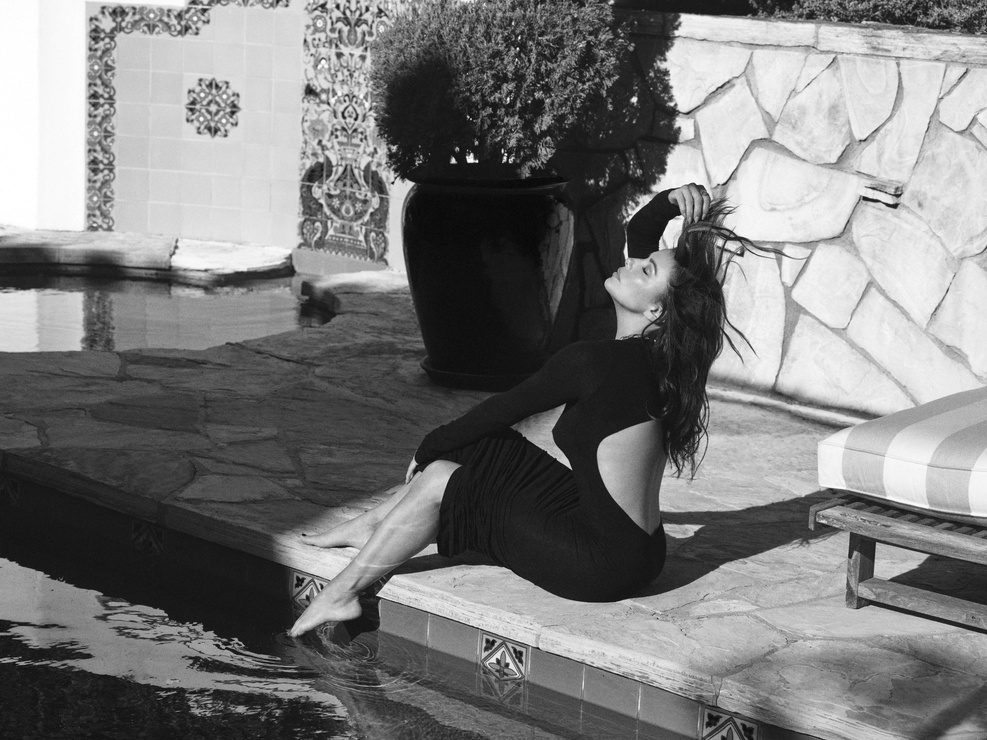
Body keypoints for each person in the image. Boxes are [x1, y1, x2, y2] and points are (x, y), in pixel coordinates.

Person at [289, 182, 757, 638]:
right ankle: (372, 526)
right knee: (478, 446)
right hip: (636, 547)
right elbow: (641, 237)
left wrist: (426, 449)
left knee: (441, 477)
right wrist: (668, 203)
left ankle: (343, 593)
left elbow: (506, 407)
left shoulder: (597, 362)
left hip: (601, 565)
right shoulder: (656, 359)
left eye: (645, 269)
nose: (630, 262)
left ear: (656, 311)